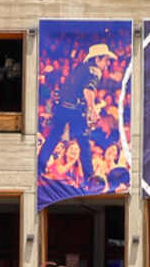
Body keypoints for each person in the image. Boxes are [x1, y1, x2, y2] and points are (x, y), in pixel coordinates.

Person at [36, 43, 116, 191]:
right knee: (84, 143)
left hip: (62, 107)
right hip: (75, 111)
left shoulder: (79, 68)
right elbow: (88, 90)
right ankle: (89, 180)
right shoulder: (95, 70)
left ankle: (39, 168)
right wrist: (92, 109)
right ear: (97, 59)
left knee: (54, 137)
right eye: (106, 59)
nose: (108, 63)